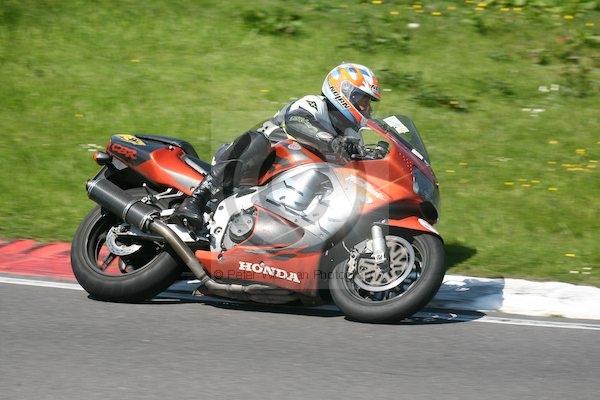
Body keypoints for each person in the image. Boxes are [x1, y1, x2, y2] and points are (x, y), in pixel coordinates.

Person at [174, 63, 381, 229]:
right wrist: (331, 141)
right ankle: (196, 200)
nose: (367, 108)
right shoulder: (315, 104)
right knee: (258, 141)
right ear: (343, 93)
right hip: (250, 164)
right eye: (363, 100)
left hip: (285, 186)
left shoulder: (351, 134)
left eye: (369, 103)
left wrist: (373, 157)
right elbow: (296, 121)